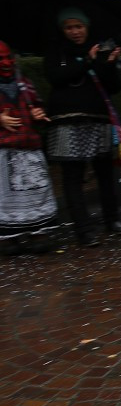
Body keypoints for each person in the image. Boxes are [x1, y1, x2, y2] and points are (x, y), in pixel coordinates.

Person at [45, 8, 121, 247]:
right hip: (67, 120)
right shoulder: (56, 51)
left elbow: (113, 87)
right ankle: (83, 228)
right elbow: (56, 78)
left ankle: (112, 219)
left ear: (87, 27)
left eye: (79, 26)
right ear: (63, 30)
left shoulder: (99, 48)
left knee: (105, 172)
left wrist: (108, 64)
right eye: (69, 27)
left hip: (97, 117)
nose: (75, 32)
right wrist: (86, 61)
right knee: (73, 176)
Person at [0, 40, 59, 254]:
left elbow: (37, 103)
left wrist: (38, 113)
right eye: (1, 59)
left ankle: (39, 232)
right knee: (4, 195)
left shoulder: (24, 82)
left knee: (37, 187)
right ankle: (7, 238)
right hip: (3, 150)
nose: (6, 63)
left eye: (9, 58)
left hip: (29, 145)